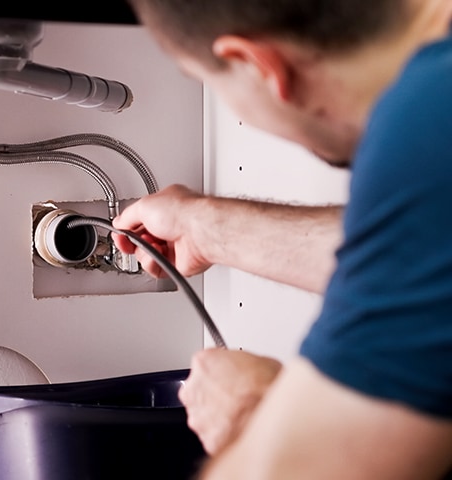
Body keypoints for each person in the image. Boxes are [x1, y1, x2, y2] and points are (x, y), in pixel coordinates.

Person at [111, 0, 452, 478]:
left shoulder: (427, 123)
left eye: (208, 81)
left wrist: (253, 418)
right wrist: (208, 228)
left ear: (255, 64)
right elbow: (421, 259)